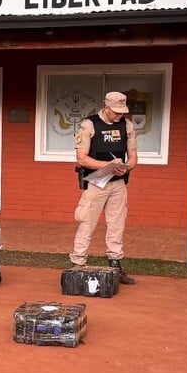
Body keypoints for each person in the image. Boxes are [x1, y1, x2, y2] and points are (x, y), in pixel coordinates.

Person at [70, 91, 138, 285]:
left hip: (118, 183)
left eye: (122, 112)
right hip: (96, 183)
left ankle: (115, 265)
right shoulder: (89, 125)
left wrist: (126, 167)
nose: (119, 115)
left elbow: (132, 155)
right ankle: (78, 264)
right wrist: (106, 166)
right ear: (106, 107)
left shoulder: (127, 125)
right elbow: (81, 158)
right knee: (87, 222)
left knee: (117, 224)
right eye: (116, 112)